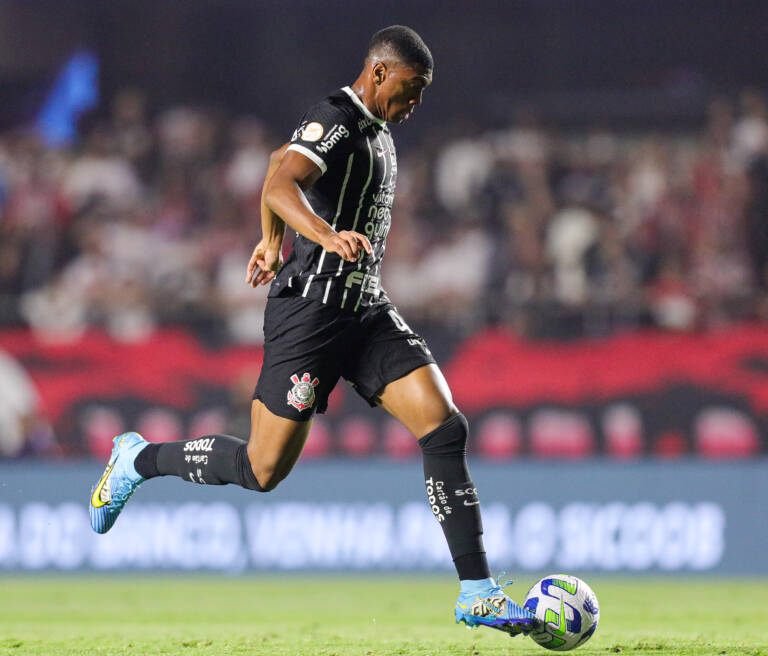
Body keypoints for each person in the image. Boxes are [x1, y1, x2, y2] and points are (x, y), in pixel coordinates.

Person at [88, 25, 537, 637]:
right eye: (412, 88)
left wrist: (272, 241)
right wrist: (319, 237)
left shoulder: (376, 129)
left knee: (443, 424)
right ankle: (138, 459)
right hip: (311, 314)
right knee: (262, 469)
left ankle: (477, 591)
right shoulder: (340, 115)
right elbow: (280, 181)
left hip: (364, 307)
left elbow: (278, 162)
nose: (417, 103)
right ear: (380, 72)